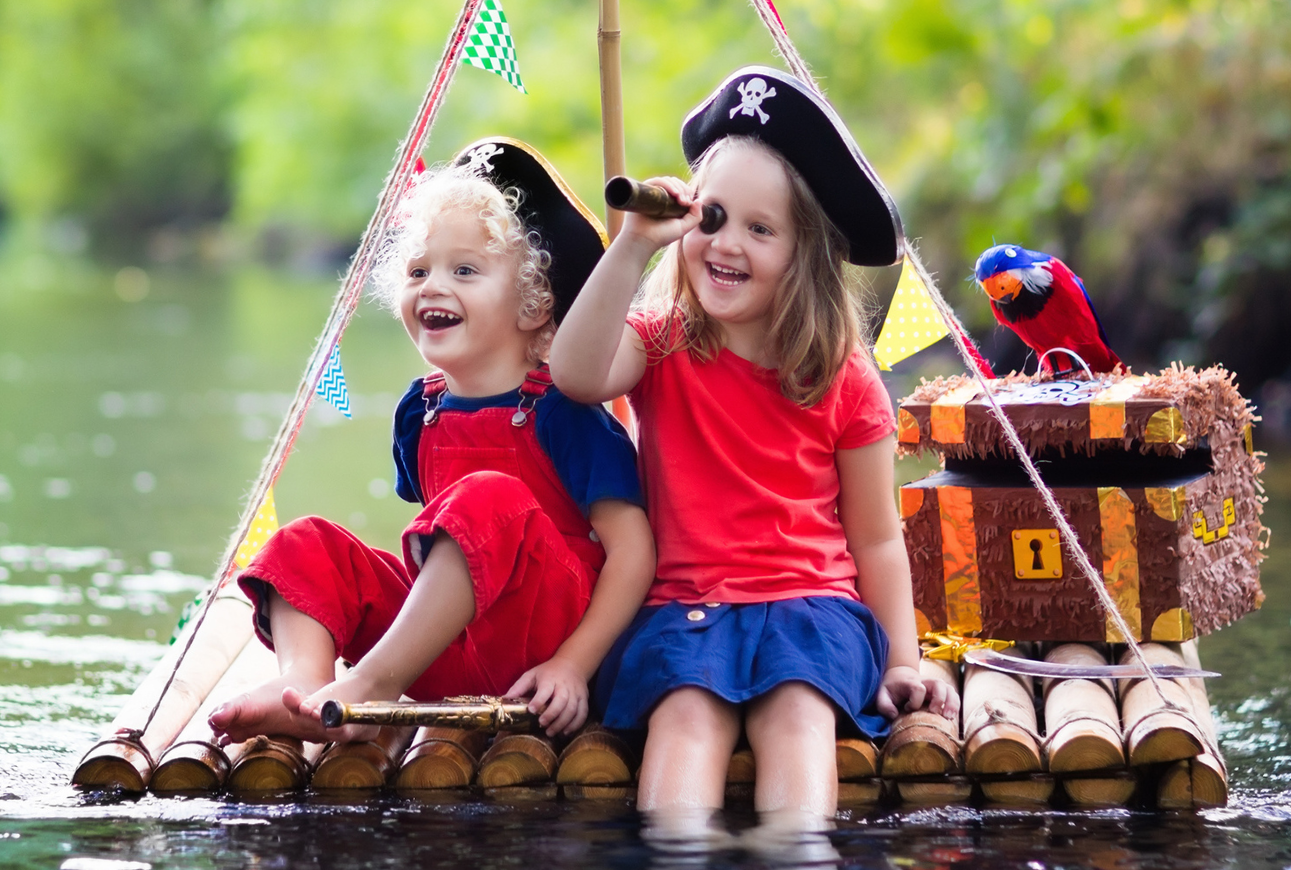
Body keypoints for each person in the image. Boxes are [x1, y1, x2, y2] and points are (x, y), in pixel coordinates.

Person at [550, 67, 960, 828]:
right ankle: (677, 848)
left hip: (812, 607)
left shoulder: (840, 373)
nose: (726, 244)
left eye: (759, 229)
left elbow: (876, 538)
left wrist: (904, 657)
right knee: (685, 718)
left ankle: (795, 847)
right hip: (685, 608)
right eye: (711, 217)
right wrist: (633, 246)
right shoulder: (661, 338)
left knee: (798, 713)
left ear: (805, 254)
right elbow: (573, 375)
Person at [209, 138, 655, 745]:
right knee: (304, 543)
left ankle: (369, 683)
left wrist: (575, 665)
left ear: (532, 304)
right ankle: (306, 689)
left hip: (542, 643)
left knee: (485, 499)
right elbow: (440, 562)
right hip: (452, 646)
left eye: (464, 270)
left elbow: (633, 555)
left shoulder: (565, 411)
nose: (432, 287)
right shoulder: (421, 411)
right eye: (419, 271)